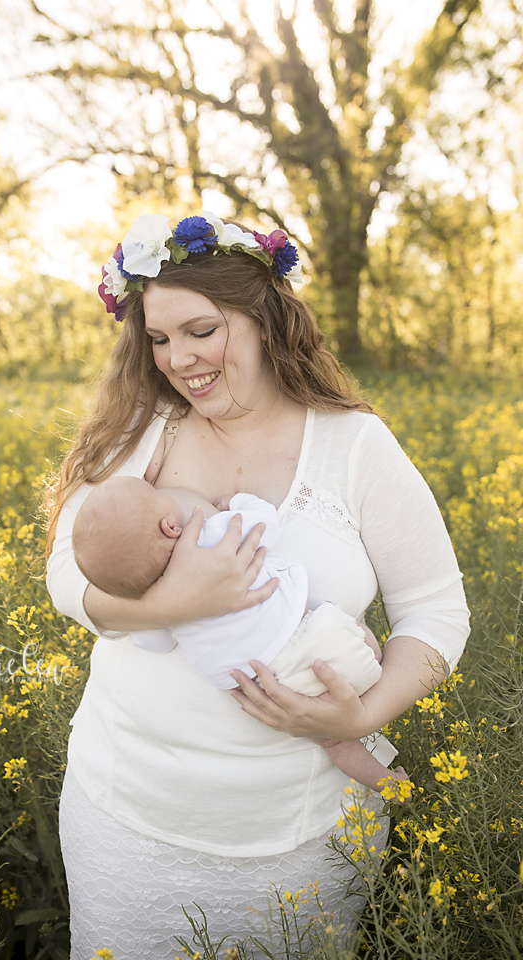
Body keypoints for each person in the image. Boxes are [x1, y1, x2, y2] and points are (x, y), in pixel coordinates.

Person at [46, 211, 470, 959]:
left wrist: (353, 715)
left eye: (201, 330)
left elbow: (437, 612)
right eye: (159, 338)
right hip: (125, 817)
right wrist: (183, 604)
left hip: (300, 836)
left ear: (265, 318)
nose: (178, 358)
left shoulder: (352, 445)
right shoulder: (146, 427)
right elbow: (64, 575)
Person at [71, 475, 411, 795]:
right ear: (169, 525)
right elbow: (264, 523)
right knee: (359, 640)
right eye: (161, 497)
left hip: (270, 686)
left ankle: (389, 785)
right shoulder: (211, 535)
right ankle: (370, 672)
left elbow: (155, 642)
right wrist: (237, 501)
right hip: (316, 639)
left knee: (334, 741)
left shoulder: (159, 608)